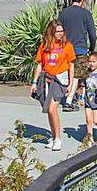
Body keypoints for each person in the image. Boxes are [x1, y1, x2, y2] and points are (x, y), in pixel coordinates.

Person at [31, 20, 74, 151]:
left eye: (62, 31)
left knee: (52, 109)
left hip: (60, 80)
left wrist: (71, 84)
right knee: (48, 110)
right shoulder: (44, 45)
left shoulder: (67, 46)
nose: (60, 33)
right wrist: (34, 82)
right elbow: (39, 64)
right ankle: (54, 135)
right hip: (47, 79)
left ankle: (58, 138)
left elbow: (71, 64)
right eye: (58, 31)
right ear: (51, 32)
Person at [58, 0, 97, 111]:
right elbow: (92, 34)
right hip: (80, 49)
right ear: (82, 0)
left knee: (68, 74)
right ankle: (69, 100)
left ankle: (69, 97)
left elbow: (59, 30)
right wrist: (92, 48)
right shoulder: (86, 14)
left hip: (65, 48)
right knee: (76, 76)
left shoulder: (63, 13)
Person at [82, 52, 97, 144]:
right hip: (87, 100)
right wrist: (81, 98)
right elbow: (84, 86)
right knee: (88, 120)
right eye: (90, 61)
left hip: (96, 101)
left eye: (94, 61)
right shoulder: (86, 73)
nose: (91, 64)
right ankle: (90, 139)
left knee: (95, 120)